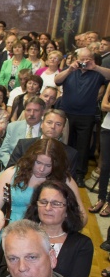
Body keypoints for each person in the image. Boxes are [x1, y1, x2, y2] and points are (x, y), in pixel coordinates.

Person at [0, 138, 86, 260]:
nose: (41, 169)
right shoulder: (12, 173)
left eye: (48, 165)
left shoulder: (65, 181)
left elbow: (82, 217)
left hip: (47, 235)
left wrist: (63, 228)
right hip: (12, 232)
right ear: (31, 159)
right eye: (38, 163)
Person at [54, 47, 110, 186]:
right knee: (64, 143)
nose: (84, 62)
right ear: (76, 59)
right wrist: (69, 69)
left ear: (92, 59)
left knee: (83, 147)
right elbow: (57, 80)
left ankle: (79, 175)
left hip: (86, 115)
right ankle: (61, 171)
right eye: (82, 59)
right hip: (66, 113)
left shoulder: (97, 72)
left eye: (88, 59)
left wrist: (95, 67)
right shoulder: (69, 70)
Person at [22, 180, 93, 277]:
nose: (48, 208)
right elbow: (5, 272)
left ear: (67, 210)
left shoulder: (82, 244)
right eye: (43, 202)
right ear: (36, 206)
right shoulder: (20, 234)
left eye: (56, 204)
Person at [8, 108, 78, 177]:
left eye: (58, 124)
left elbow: (69, 182)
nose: (53, 127)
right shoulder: (23, 145)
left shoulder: (70, 154)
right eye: (49, 122)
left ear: (62, 129)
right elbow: (10, 170)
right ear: (42, 124)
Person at [0, 96, 44, 168]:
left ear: (42, 112)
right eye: (28, 110)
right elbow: (3, 152)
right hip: (14, 167)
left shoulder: (46, 129)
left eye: (36, 110)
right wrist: (13, 166)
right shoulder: (13, 127)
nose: (31, 114)